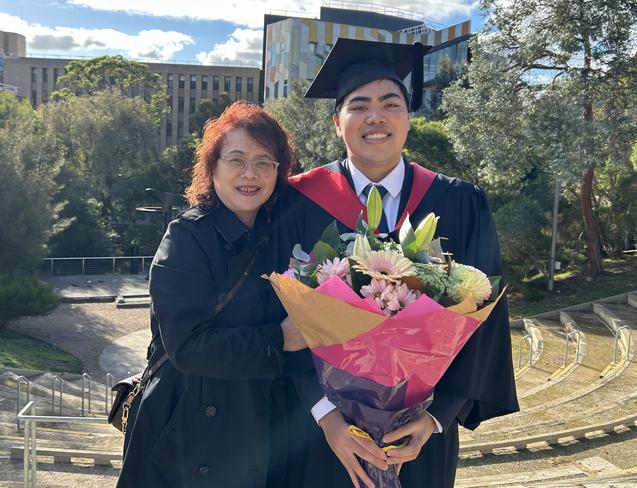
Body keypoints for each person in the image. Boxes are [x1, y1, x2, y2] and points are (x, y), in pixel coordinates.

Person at [285, 38, 520, 488]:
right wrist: (325, 414)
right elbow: (278, 316)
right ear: (338, 123)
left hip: (420, 435)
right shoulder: (297, 201)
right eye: (359, 105)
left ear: (409, 118)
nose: (376, 116)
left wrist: (437, 416)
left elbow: (487, 313)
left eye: (390, 103)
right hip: (321, 432)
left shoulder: (460, 202)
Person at [117, 101, 312, 488]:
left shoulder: (279, 233)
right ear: (213, 166)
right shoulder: (187, 237)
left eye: (264, 162)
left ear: (279, 171)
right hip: (189, 430)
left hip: (260, 425)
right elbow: (189, 346)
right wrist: (280, 339)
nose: (249, 173)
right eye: (236, 159)